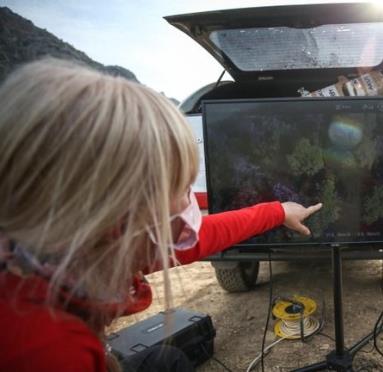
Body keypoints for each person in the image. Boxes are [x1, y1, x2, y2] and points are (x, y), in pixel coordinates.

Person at [0, 59, 322, 372]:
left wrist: (278, 211)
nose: (187, 202)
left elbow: (202, 236)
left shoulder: (60, 252)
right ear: (118, 215)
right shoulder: (47, 351)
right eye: (180, 186)